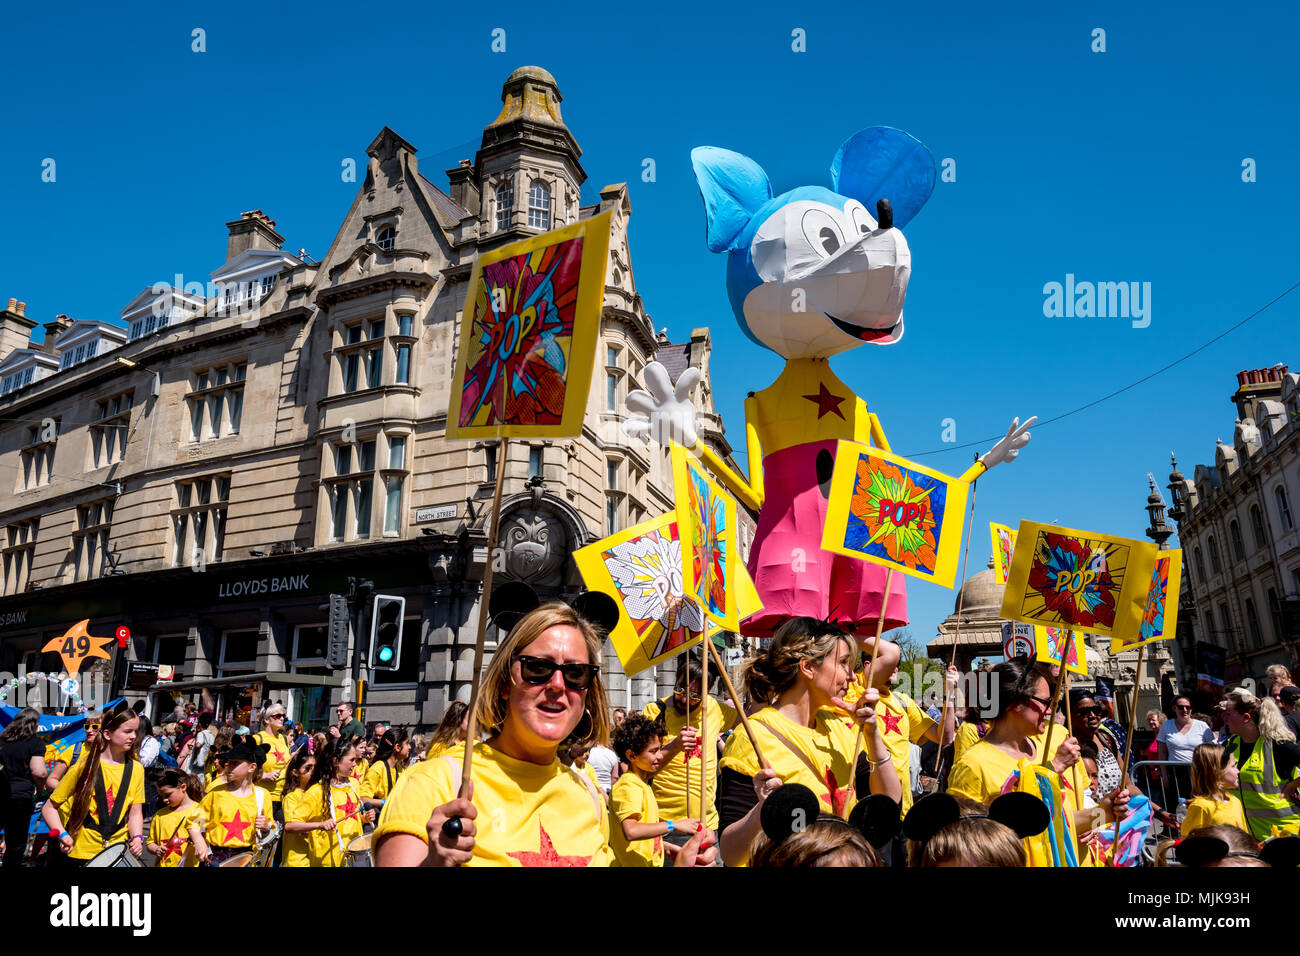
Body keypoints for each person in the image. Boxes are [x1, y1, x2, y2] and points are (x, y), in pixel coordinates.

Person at [374, 602, 716, 867]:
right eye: (538, 668)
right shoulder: (435, 783)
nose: (557, 685)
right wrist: (435, 863)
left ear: (587, 690)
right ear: (506, 682)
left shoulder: (589, 794)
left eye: (576, 673)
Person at [718, 618, 900, 867]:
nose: (853, 677)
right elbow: (729, 853)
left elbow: (889, 799)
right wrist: (764, 810)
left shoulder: (840, 727)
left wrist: (872, 733)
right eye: (844, 662)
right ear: (807, 667)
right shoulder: (753, 736)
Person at [948, 660, 1085, 866]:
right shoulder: (973, 765)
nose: (1049, 711)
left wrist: (1103, 812)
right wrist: (1051, 770)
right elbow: (964, 843)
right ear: (1015, 704)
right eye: (1045, 702)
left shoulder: (1050, 745)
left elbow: (1058, 823)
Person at [841, 636, 957, 815]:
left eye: (898, 664)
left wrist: (949, 694)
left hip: (902, 808)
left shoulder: (902, 702)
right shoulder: (853, 690)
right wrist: (846, 632)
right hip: (868, 805)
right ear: (867, 665)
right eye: (890, 663)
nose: (895, 668)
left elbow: (944, 737)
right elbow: (890, 652)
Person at [642, 648, 742, 848]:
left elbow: (747, 719)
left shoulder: (714, 709)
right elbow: (642, 769)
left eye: (695, 696)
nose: (685, 700)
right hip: (666, 826)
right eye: (680, 690)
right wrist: (674, 746)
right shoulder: (654, 712)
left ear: (706, 692)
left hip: (707, 826)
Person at [41, 702, 145, 866]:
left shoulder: (137, 769)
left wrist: (138, 837)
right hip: (80, 853)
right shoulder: (83, 767)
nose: (133, 736)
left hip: (117, 851)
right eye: (127, 731)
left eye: (135, 732)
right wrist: (63, 834)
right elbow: (49, 808)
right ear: (108, 734)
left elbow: (135, 812)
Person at [609, 713, 698, 867]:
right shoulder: (628, 786)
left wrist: (664, 846)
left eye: (660, 749)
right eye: (653, 751)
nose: (660, 756)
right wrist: (673, 824)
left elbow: (641, 834)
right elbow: (631, 831)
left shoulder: (642, 784)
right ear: (631, 755)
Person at [1219, 687, 1300, 841]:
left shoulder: (1278, 746)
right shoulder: (1229, 746)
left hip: (1284, 836)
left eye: (1229, 714)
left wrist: (1293, 785)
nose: (1225, 718)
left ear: (1246, 717)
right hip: (1248, 839)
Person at [196, 735, 273, 864]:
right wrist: (200, 842)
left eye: (235, 763)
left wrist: (265, 828)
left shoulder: (262, 795)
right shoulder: (216, 792)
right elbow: (194, 821)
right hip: (215, 857)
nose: (228, 766)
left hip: (245, 858)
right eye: (228, 762)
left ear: (252, 767)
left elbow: (267, 835)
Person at [303, 739, 374, 866]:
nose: (355, 764)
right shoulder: (316, 791)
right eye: (351, 760)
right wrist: (320, 825)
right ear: (335, 761)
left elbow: (353, 817)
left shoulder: (354, 784)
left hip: (355, 857)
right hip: (327, 860)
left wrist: (365, 818)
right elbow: (291, 825)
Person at [0, 707, 48, 867]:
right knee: (15, 844)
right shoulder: (35, 743)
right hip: (20, 798)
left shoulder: (2, 740)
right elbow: (39, 772)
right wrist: (40, 789)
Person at [1157, 695, 1213, 802]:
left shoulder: (1202, 726)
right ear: (1174, 708)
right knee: (1179, 806)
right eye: (1181, 707)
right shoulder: (1166, 725)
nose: (1185, 710)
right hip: (1175, 772)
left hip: (1198, 771)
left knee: (1199, 802)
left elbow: (1212, 750)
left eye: (1188, 707)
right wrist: (1164, 775)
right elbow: (1162, 753)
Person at [1181, 743, 1247, 834]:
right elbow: (1189, 842)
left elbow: (1244, 837)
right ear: (1216, 771)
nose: (1238, 771)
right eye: (1233, 766)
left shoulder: (1235, 801)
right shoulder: (1201, 806)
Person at [146, 770, 207, 867]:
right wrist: (156, 849)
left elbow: (205, 839)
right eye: (161, 796)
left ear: (183, 787)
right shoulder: (159, 815)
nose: (164, 800)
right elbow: (150, 843)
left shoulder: (199, 811)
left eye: (168, 795)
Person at [279, 747, 320, 868]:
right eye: (308, 768)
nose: (312, 771)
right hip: (296, 860)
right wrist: (320, 825)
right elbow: (291, 826)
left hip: (315, 858)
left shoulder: (317, 793)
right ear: (295, 772)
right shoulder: (291, 797)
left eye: (315, 767)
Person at [255, 703, 293, 824]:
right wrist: (264, 776)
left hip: (283, 797)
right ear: (266, 719)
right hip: (263, 797)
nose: (282, 718)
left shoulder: (285, 739)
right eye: (277, 716)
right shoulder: (258, 739)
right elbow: (244, 769)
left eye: (283, 716)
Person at [361, 729, 410, 812]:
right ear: (397, 747)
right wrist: (384, 802)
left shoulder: (400, 769)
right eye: (407, 743)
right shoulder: (377, 768)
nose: (410, 747)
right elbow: (362, 798)